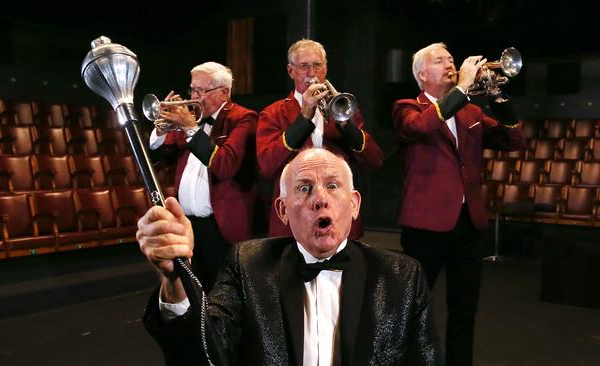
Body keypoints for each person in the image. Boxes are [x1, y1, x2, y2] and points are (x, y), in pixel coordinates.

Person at [138, 148, 442, 366]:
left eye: (333, 186)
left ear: (354, 205)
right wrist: (173, 277)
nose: (320, 199)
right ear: (282, 211)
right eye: (304, 188)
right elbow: (205, 351)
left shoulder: (402, 275)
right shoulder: (247, 264)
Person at [392, 43, 525, 366]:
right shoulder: (407, 106)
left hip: (468, 223)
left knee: (464, 310)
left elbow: (514, 141)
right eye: (441, 60)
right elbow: (420, 128)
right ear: (423, 74)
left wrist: (496, 96)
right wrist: (463, 87)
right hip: (425, 225)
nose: (451, 64)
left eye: (452, 60)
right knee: (414, 306)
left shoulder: (471, 112)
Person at [256, 39, 383, 240]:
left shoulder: (343, 108)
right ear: (291, 71)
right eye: (304, 66)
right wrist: (304, 117)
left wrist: (345, 123)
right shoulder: (272, 113)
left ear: (326, 68)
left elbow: (374, 161)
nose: (311, 73)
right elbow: (266, 165)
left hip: (337, 212)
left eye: (317, 65)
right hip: (294, 215)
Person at [148, 61, 258, 293]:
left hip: (221, 229)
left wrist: (189, 128)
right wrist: (161, 129)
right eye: (192, 90)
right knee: (193, 294)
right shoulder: (191, 119)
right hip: (187, 225)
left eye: (201, 91)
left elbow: (225, 165)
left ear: (224, 92)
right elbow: (160, 158)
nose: (194, 97)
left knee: (224, 294)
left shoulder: (243, 118)